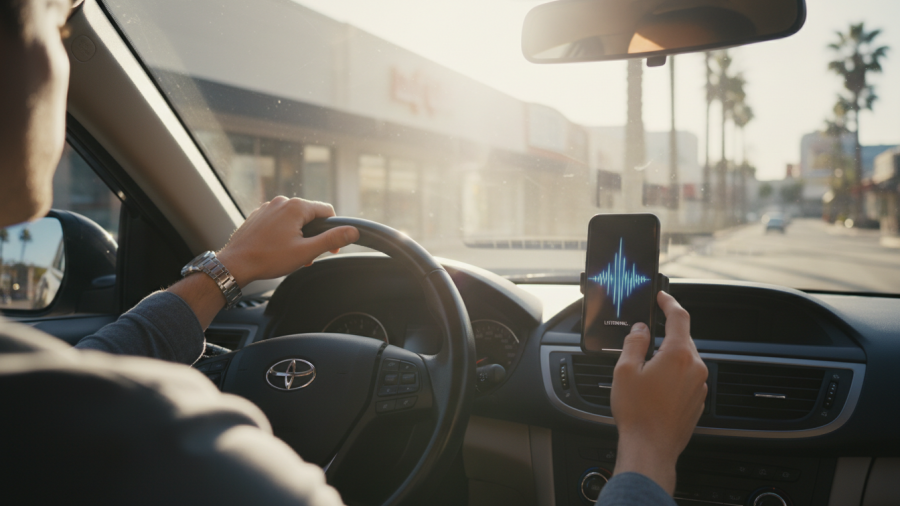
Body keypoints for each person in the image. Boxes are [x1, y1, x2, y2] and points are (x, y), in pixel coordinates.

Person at [0, 0, 708, 504]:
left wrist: (227, 268)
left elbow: (101, 365)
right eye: (59, 21)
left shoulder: (53, 420)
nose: (65, 53)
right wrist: (645, 453)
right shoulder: (172, 453)